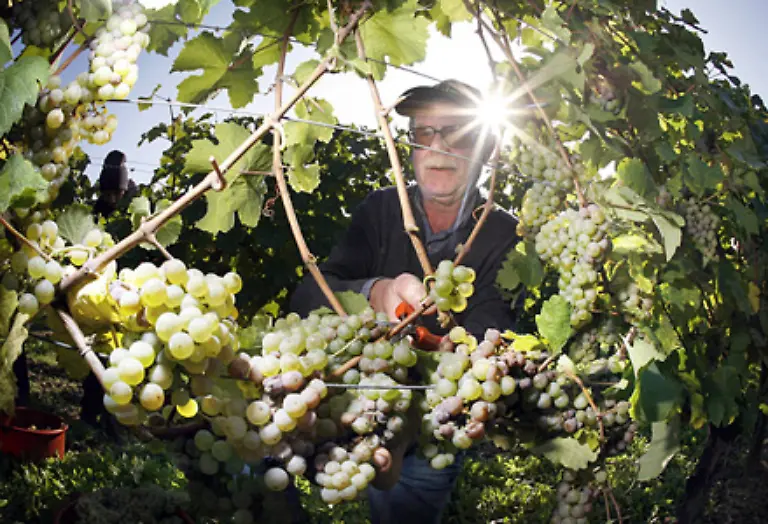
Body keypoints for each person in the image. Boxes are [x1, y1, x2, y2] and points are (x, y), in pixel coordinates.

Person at [290, 80, 519, 524]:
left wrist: (454, 348)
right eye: (423, 133)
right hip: (353, 406)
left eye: (456, 132)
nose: (438, 146)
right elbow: (308, 294)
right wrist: (376, 292)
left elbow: (493, 323)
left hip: (436, 427)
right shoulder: (378, 210)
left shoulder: (504, 234)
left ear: (486, 145)